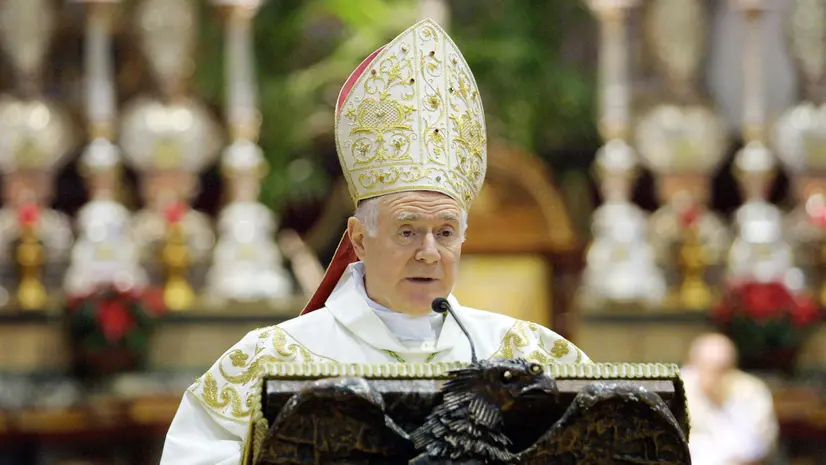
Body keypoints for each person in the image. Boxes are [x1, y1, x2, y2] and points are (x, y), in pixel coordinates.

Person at [159, 18, 591, 465]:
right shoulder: (274, 360)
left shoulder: (527, 358)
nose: (428, 252)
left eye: (445, 233)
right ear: (359, 239)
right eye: (407, 231)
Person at [682, 333, 779, 465]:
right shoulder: (677, 391)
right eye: (707, 368)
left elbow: (761, 445)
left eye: (722, 369)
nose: (714, 376)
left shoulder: (751, 391)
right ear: (692, 364)